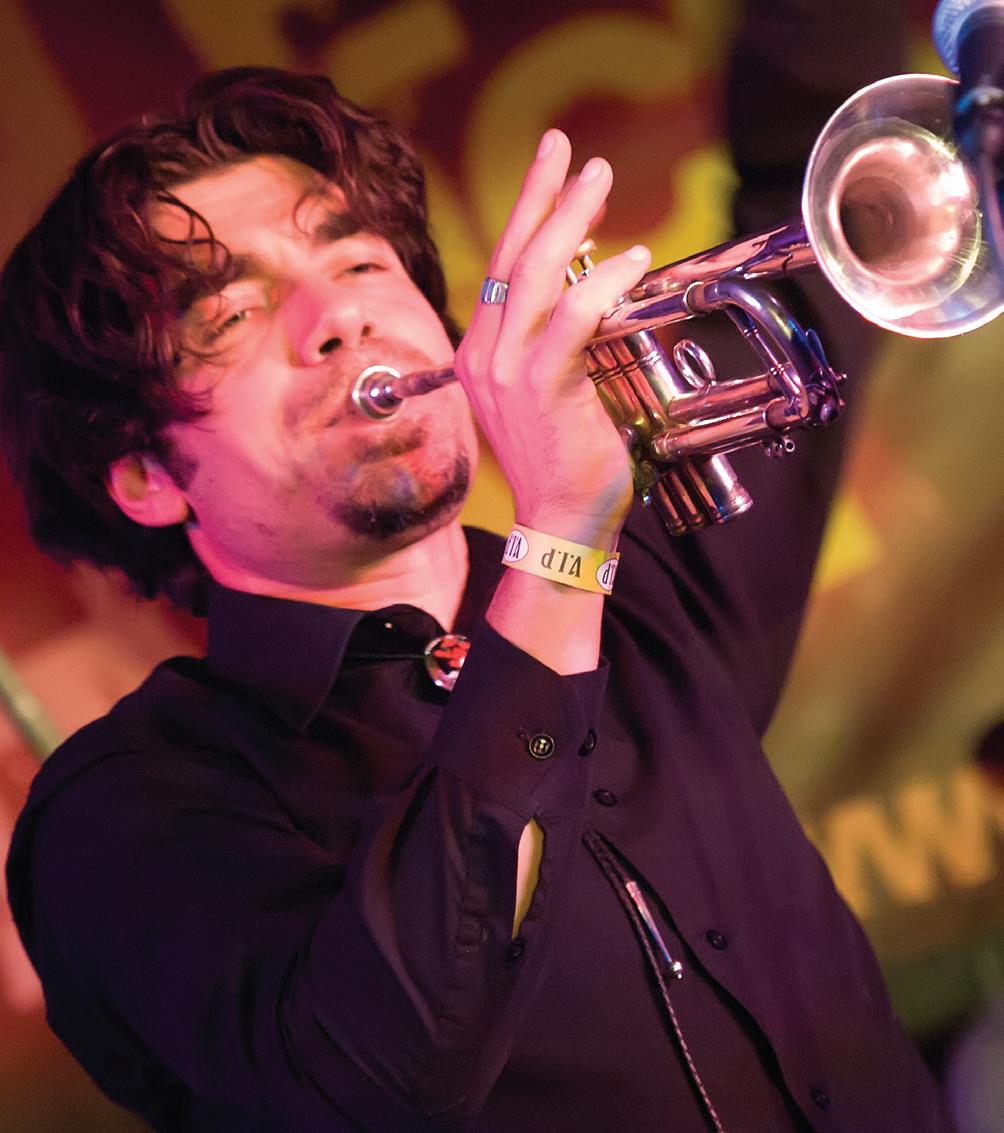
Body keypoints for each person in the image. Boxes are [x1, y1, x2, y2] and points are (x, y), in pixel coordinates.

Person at [2, 6, 952, 1132]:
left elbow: (820, 198)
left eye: (357, 258)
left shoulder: (642, 590)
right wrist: (560, 543)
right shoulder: (122, 810)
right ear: (148, 475)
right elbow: (379, 1077)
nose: (339, 315)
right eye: (232, 312)